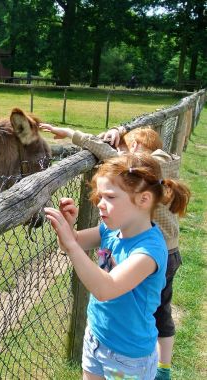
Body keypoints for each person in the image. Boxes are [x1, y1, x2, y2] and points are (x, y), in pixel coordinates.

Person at [40, 124, 187, 380]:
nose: (100, 203)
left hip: (130, 357)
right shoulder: (110, 230)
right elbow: (70, 243)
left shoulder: (149, 250)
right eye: (99, 195)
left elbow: (105, 289)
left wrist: (73, 245)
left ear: (143, 200)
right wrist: (69, 229)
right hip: (96, 337)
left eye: (110, 197)